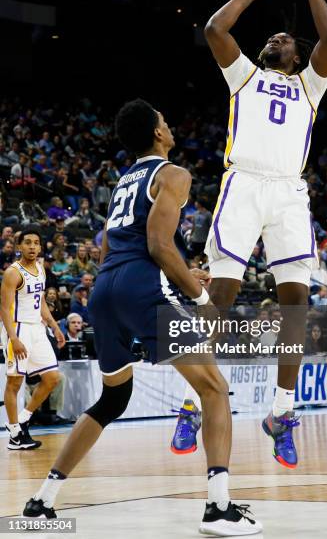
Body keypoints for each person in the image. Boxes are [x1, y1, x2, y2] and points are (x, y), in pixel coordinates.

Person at [23, 98, 261, 536]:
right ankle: (219, 508)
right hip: (139, 287)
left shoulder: (123, 183)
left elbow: (115, 245)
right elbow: (157, 244)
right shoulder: (173, 174)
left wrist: (169, 276)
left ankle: (42, 501)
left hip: (105, 290)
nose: (170, 127)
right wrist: (201, 293)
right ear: (157, 133)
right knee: (214, 389)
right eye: (166, 122)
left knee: (112, 399)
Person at [172, 0, 327, 468]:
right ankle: (190, 402)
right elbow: (215, 29)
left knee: (297, 302)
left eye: (286, 38)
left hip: (289, 192)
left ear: (298, 55)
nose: (278, 38)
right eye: (274, 36)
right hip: (243, 183)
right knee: (220, 294)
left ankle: (280, 411)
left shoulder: (311, 86)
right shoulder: (244, 76)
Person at [0, 229, 65, 450]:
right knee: (15, 382)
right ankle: (14, 433)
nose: (32, 247)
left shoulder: (39, 268)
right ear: (19, 246)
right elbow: (4, 309)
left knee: (53, 378)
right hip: (17, 328)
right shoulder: (12, 273)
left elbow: (42, 302)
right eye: (27, 243)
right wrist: (13, 338)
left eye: (36, 243)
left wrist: (54, 326)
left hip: (37, 329)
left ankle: (24, 418)